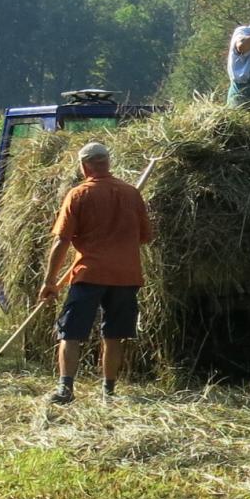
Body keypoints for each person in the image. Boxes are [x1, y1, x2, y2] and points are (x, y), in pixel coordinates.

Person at [38, 142, 153, 404]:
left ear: (84, 166)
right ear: (107, 162)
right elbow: (145, 237)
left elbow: (61, 241)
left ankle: (65, 390)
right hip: (126, 276)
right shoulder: (132, 194)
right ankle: (108, 392)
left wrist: (49, 281)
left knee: (71, 333)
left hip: (89, 274)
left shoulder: (78, 195)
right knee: (113, 335)